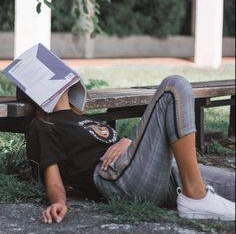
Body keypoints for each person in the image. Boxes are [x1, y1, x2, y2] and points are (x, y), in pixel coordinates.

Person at [24, 75, 235, 224]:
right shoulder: (43, 125)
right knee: (174, 86)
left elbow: (109, 144)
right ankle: (195, 196)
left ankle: (194, 193)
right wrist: (59, 203)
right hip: (120, 180)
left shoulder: (81, 117)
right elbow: (53, 179)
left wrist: (126, 142)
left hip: (155, 171)